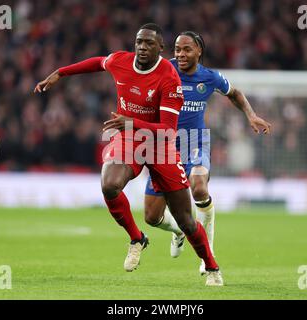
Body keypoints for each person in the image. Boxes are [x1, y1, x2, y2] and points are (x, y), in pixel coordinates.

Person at [34, 24, 223, 286]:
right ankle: (137, 239)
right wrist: (59, 73)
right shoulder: (122, 61)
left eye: (148, 44)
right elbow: (97, 63)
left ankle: (212, 267)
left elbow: (168, 130)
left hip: (160, 146)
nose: (142, 48)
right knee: (109, 184)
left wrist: (132, 123)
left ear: (160, 49)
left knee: (186, 221)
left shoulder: (169, 77)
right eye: (139, 42)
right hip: (129, 138)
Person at [144, 31, 271, 275]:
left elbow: (235, 94)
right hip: (165, 146)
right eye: (177, 49)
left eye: (187, 49)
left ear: (199, 51)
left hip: (195, 142)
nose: (180, 54)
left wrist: (251, 115)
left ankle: (207, 255)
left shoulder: (210, 77)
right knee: (151, 216)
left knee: (199, 188)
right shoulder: (163, 69)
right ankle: (180, 230)